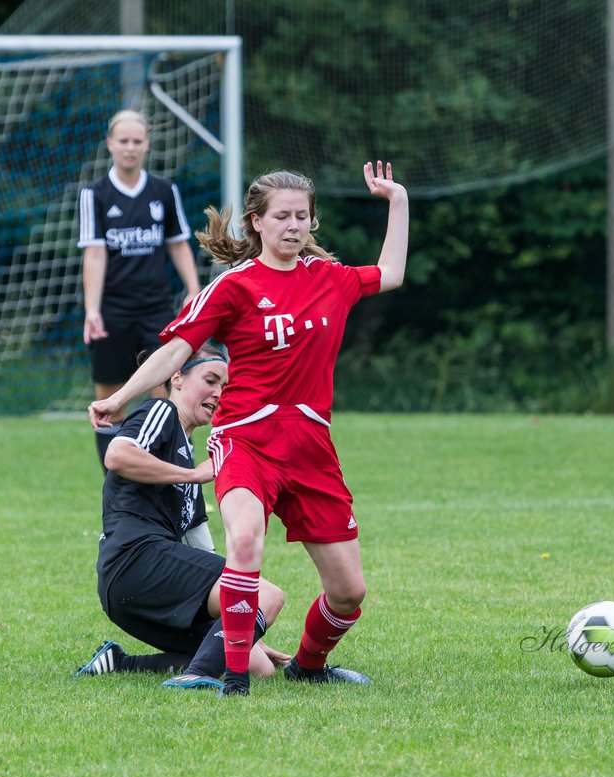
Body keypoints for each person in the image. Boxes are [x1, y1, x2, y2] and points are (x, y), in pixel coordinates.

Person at [89, 161, 409, 697]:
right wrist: (121, 397)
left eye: (302, 216)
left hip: (310, 448)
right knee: (244, 542)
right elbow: (177, 348)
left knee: (349, 591)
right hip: (244, 438)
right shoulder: (233, 286)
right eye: (282, 216)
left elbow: (392, 273)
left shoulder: (330, 281)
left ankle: (309, 667)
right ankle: (232, 676)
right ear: (257, 223)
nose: (294, 226)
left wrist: (397, 201)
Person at [74, 341, 290, 690]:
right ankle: (196, 676)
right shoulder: (162, 412)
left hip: (127, 593)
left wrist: (242, 629)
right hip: (135, 559)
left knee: (257, 665)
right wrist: (194, 474)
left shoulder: (186, 459)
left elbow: (204, 555)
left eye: (223, 386)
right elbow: (117, 455)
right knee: (268, 595)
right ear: (177, 377)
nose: (218, 393)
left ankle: (119, 662)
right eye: (210, 379)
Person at [78, 109, 202, 468]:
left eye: (137, 141)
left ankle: (176, 482)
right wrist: (92, 310)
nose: (130, 148)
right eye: (123, 141)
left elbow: (178, 243)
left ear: (147, 144)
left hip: (156, 309)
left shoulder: (163, 191)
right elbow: (95, 254)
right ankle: (116, 488)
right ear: (110, 145)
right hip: (113, 310)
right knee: (111, 398)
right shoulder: (95, 195)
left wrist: (193, 289)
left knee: (168, 394)